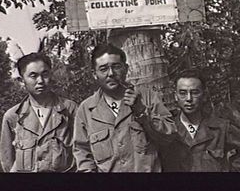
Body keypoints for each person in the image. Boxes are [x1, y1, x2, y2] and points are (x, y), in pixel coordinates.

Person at [74, 44, 177, 172]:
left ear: (126, 69)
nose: (111, 73)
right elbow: (83, 154)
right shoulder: (86, 109)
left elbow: (169, 136)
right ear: (94, 74)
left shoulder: (146, 97)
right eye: (103, 69)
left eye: (116, 67)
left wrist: (142, 112)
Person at [159, 69, 240, 172]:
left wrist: (228, 169)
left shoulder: (221, 127)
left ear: (204, 95)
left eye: (195, 92)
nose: (189, 98)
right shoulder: (166, 129)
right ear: (176, 96)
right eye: (183, 93)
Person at [0, 53, 77, 172]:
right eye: (33, 76)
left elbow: (83, 152)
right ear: (22, 80)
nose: (40, 81)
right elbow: (7, 162)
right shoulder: (12, 117)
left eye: (44, 74)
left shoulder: (69, 110)